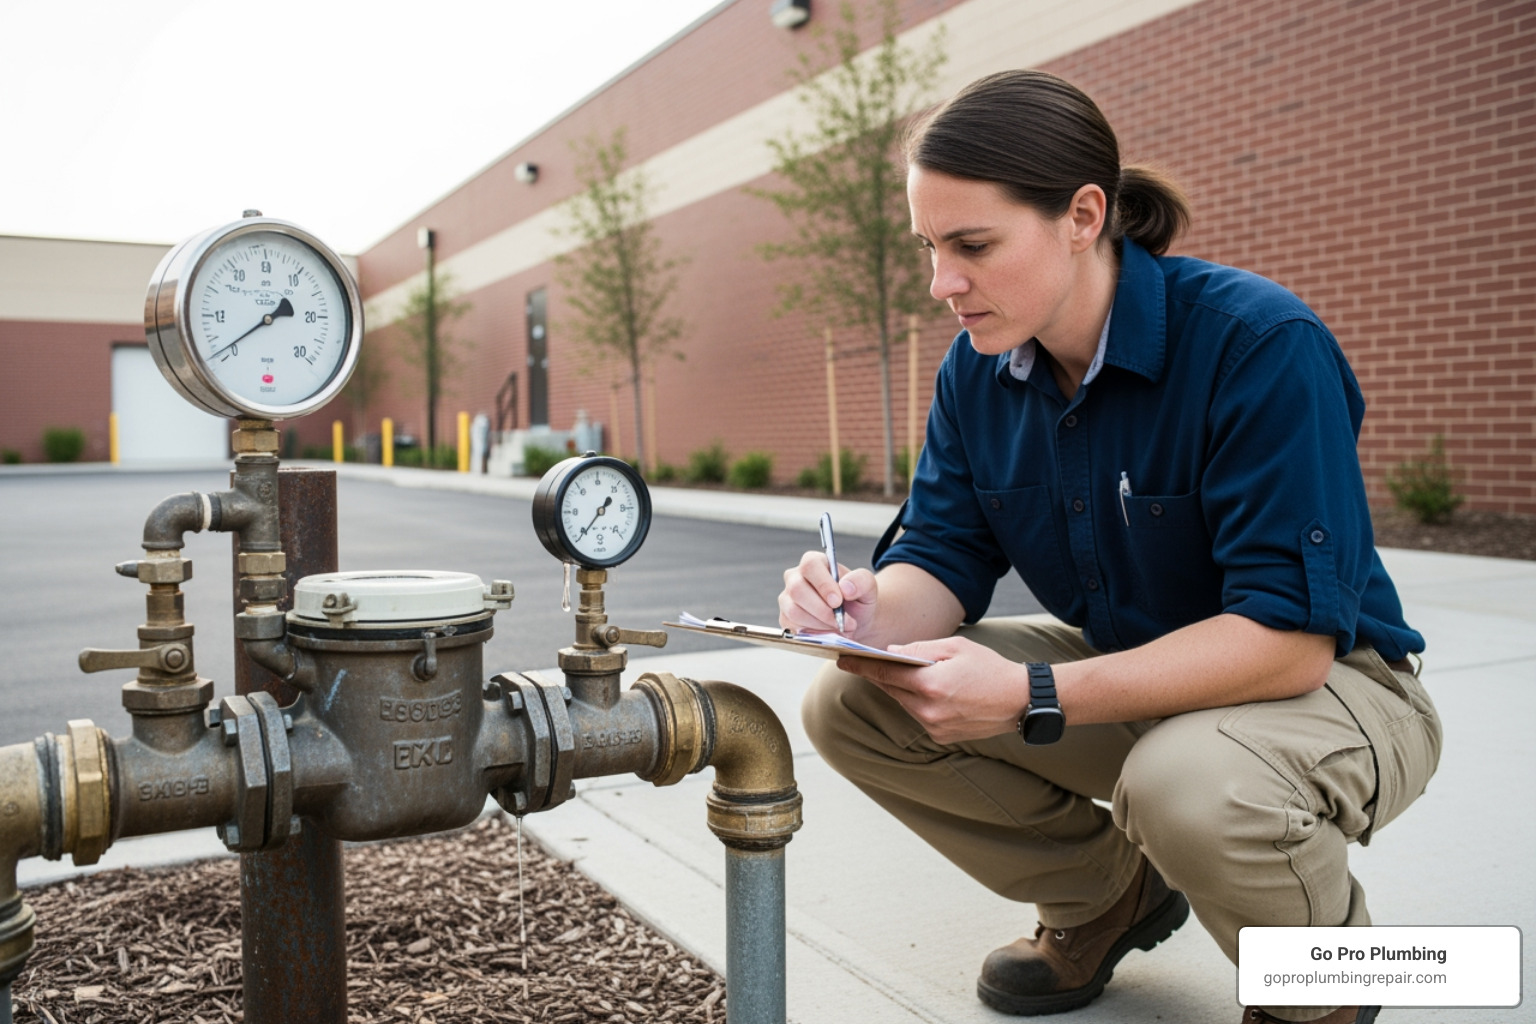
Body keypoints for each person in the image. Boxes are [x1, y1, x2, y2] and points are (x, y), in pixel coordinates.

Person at [778, 70, 1440, 1024]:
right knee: (855, 697)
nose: (942, 283)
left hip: (1335, 684)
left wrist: (1031, 693)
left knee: (1187, 784)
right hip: (1139, 675)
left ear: (1082, 215)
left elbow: (1289, 641)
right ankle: (1106, 896)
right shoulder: (976, 373)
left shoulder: (1257, 344)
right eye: (930, 248)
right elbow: (942, 556)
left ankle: (1327, 990)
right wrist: (861, 610)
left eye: (972, 245)